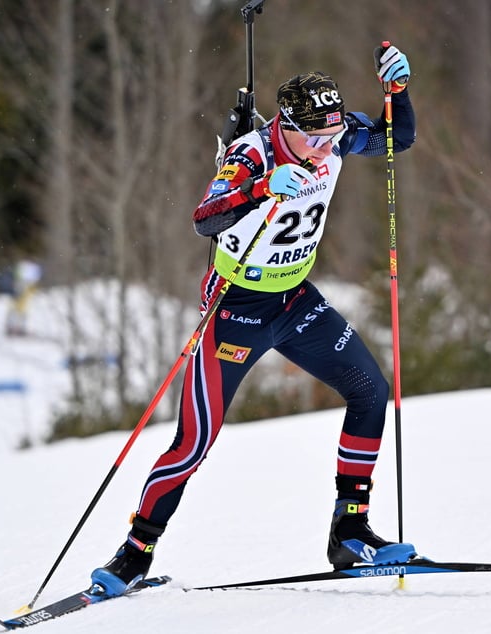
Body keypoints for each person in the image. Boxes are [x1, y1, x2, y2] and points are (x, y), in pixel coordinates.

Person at [91, 44, 416, 596]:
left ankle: (350, 529)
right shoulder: (251, 155)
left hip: (294, 300)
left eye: (332, 136)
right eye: (312, 137)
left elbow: (394, 138)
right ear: (285, 127)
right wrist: (262, 189)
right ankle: (135, 552)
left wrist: (398, 94)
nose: (324, 147)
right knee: (193, 442)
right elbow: (205, 217)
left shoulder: (331, 133)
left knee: (371, 390)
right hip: (235, 308)